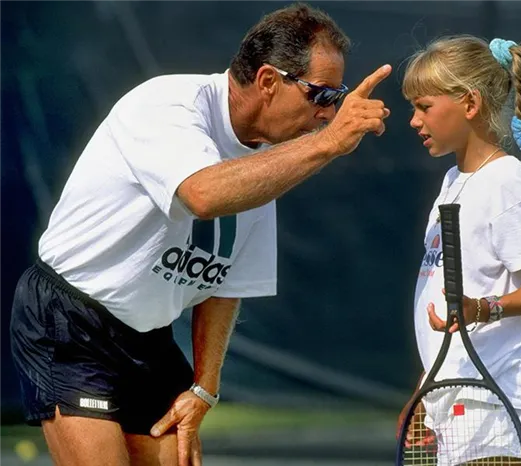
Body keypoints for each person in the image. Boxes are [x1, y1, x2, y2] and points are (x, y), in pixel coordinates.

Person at [10, 3, 392, 465]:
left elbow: (224, 284)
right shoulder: (166, 104)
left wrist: (204, 389)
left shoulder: (265, 162)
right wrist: (329, 145)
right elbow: (202, 194)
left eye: (337, 99)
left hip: (146, 338)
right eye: (322, 96)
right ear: (269, 81)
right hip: (68, 321)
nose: (328, 115)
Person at [397, 35, 521, 464]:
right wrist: (425, 388)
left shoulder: (506, 182)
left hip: (500, 410)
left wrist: (486, 308)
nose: (414, 120)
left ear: (470, 104)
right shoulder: (453, 182)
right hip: (459, 408)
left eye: (423, 106)